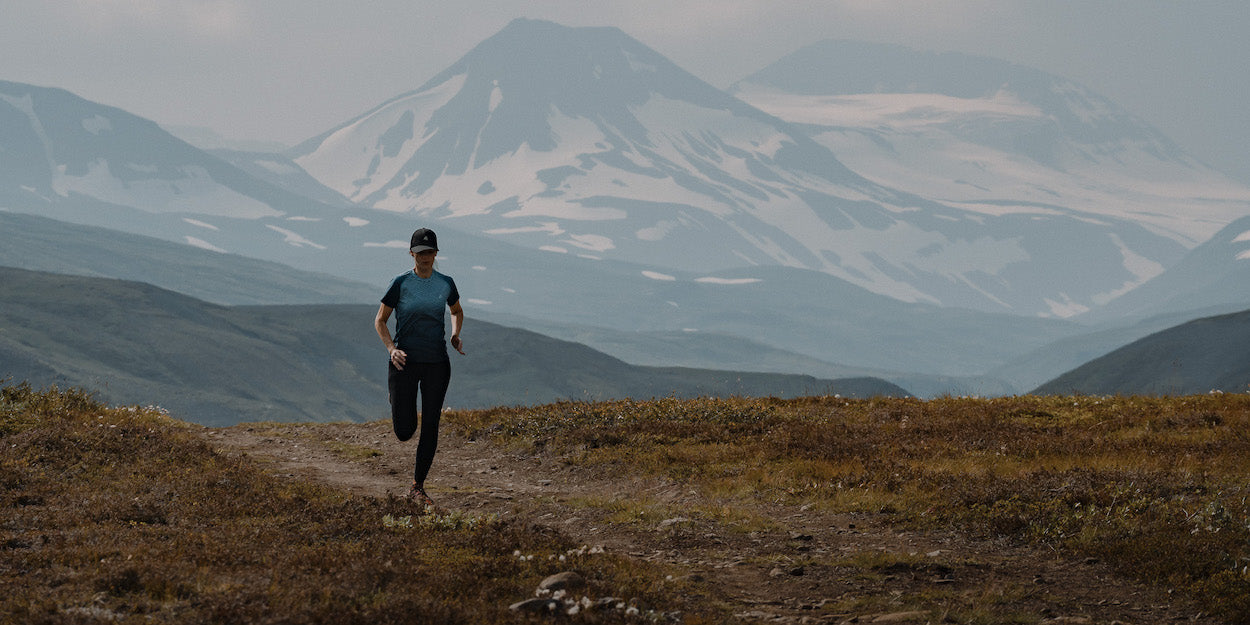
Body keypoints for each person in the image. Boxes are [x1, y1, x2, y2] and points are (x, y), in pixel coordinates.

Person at [374, 227, 465, 508]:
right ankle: (398, 400)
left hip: (437, 362)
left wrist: (454, 333)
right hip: (404, 362)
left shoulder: (445, 283)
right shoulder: (400, 283)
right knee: (404, 431)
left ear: (436, 254)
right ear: (411, 253)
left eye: (430, 252)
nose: (426, 257)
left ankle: (418, 486)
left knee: (431, 425)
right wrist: (392, 349)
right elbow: (380, 321)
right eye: (421, 252)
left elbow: (456, 310)